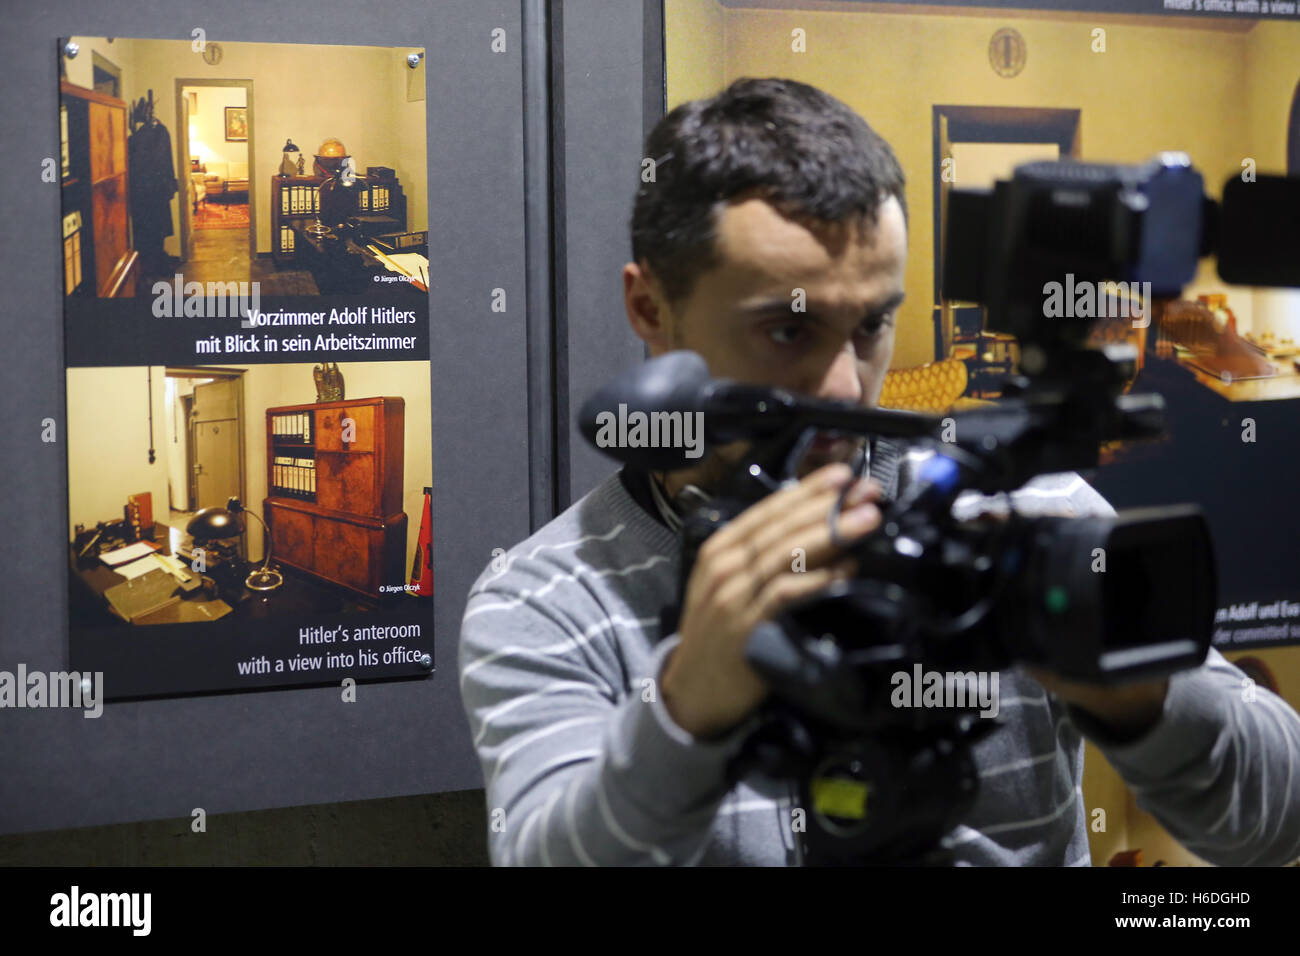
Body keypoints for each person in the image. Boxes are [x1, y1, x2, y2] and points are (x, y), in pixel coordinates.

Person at [458, 77, 1300, 866]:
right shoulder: (546, 599)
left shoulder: (1022, 516)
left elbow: (1279, 819)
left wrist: (1146, 706)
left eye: (870, 327)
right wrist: (685, 713)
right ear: (650, 308)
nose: (841, 384)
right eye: (787, 332)